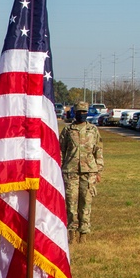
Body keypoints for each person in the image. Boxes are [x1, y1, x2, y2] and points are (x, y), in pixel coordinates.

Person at [59, 101, 103, 243]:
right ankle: (71, 232)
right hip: (70, 171)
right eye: (79, 112)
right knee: (71, 203)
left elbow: (98, 150)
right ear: (75, 113)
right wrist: (59, 168)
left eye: (84, 112)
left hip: (89, 172)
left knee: (85, 203)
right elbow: (61, 151)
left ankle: (83, 233)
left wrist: (98, 170)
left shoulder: (93, 130)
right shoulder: (68, 130)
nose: (82, 115)